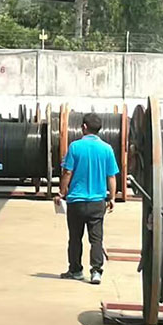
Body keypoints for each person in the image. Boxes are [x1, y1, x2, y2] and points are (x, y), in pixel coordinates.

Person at [55, 112, 118, 285]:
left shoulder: (75, 147)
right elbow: (111, 176)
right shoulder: (107, 149)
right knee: (96, 239)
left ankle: (75, 270)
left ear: (84, 127)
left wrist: (62, 192)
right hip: (97, 202)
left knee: (75, 238)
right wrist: (112, 197)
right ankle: (96, 272)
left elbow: (67, 172)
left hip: (76, 202)